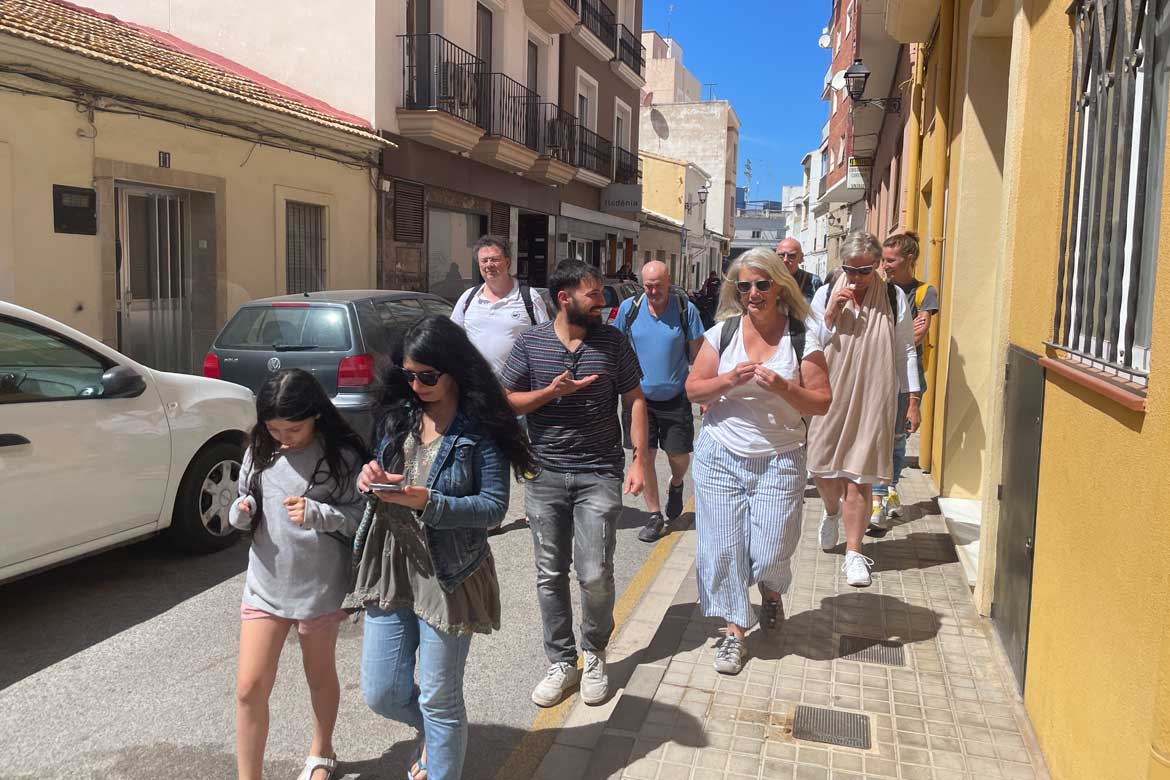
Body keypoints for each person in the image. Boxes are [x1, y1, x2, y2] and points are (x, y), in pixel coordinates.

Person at [346, 315, 536, 780]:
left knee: (439, 697)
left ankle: (441, 753)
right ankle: (438, 733)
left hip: (450, 574)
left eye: (426, 376)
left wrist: (430, 502)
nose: (415, 384)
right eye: (408, 375)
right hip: (392, 564)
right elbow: (381, 470)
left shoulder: (480, 428)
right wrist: (370, 477)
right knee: (382, 691)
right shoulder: (400, 415)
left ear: (453, 370)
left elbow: (492, 507)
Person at [502, 259, 649, 708]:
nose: (603, 301)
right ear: (565, 299)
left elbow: (634, 398)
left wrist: (639, 459)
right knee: (550, 574)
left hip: (599, 472)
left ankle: (594, 652)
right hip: (543, 473)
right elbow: (508, 400)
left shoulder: (613, 340)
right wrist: (551, 393)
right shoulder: (530, 343)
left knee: (595, 574)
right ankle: (562, 661)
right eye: (593, 294)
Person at [684, 248, 832, 675]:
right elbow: (694, 389)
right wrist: (728, 380)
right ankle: (734, 632)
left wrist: (785, 388)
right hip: (720, 454)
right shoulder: (723, 334)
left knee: (770, 550)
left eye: (762, 284)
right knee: (725, 547)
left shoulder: (803, 336)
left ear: (779, 287)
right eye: (744, 285)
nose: (753, 293)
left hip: (780, 457)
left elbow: (822, 402)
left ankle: (770, 590)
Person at [229, 369, 368, 780]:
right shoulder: (260, 450)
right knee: (249, 687)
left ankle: (321, 750)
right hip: (265, 587)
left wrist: (320, 514)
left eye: (294, 427)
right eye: (273, 428)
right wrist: (240, 512)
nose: (283, 437)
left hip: (320, 590)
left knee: (319, 675)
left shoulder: (341, 457)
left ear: (316, 415)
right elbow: (242, 498)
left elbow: (363, 517)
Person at [807, 231, 920, 588]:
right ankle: (831, 511)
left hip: (874, 393)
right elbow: (812, 343)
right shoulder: (826, 291)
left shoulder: (893, 296)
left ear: (876, 268)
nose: (855, 279)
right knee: (822, 470)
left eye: (863, 271)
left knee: (859, 477)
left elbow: (905, 350)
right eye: (850, 270)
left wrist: (912, 398)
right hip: (831, 394)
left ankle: (855, 553)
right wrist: (830, 313)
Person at [615, 260, 705, 542]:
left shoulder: (684, 309)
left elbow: (699, 354)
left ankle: (676, 483)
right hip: (638, 400)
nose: (653, 291)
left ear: (670, 283)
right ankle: (655, 515)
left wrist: (705, 394)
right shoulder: (630, 310)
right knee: (645, 456)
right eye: (649, 286)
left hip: (675, 397)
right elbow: (614, 347)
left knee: (679, 456)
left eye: (659, 286)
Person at [871, 232, 939, 528]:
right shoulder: (878, 290)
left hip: (907, 377)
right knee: (877, 437)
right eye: (883, 260)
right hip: (877, 374)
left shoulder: (925, 292)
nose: (884, 266)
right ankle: (877, 492)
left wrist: (900, 336)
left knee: (899, 439)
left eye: (890, 260)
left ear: (909, 259)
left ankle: (889, 489)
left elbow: (917, 336)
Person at [450, 235, 549, 377]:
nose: (489, 265)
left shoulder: (529, 297)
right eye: (484, 260)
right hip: (476, 385)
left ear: (507, 262)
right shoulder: (468, 298)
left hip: (517, 388)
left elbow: (545, 342)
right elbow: (452, 339)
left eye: (494, 259)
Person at [776, 237, 823, 303]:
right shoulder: (768, 281)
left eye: (791, 256)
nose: (785, 260)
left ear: (801, 258)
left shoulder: (813, 282)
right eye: (781, 255)